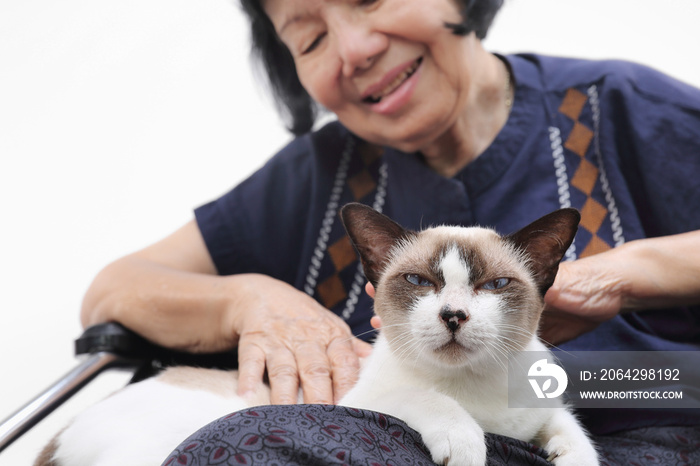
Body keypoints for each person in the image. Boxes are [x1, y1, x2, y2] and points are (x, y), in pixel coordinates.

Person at [81, 0, 700, 463]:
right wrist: (250, 300)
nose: (353, 50)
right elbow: (115, 290)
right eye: (312, 37)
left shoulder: (622, 107)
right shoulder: (319, 175)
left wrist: (629, 273)